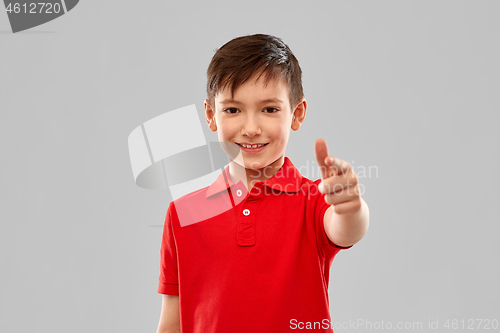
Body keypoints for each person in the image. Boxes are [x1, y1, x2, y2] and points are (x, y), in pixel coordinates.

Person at [156, 33, 369, 333]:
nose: (251, 128)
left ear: (297, 113)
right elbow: (171, 323)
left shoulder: (313, 201)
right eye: (232, 110)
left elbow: (346, 228)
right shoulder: (182, 213)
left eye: (269, 109)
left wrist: (350, 206)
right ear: (210, 115)